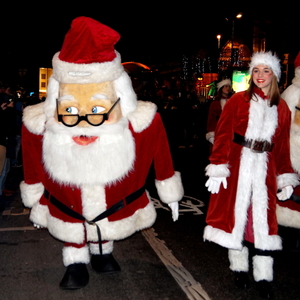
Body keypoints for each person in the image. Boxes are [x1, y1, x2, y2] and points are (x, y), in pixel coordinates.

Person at [20, 17, 184, 290]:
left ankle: (102, 252)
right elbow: (30, 155)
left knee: (106, 207)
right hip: (65, 196)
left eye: (97, 111)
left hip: (114, 195)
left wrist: (169, 188)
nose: (84, 123)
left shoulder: (139, 123)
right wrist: (35, 191)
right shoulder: (41, 126)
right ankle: (74, 261)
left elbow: (158, 145)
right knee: (70, 211)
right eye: (71, 111)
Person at [203, 51, 299, 299]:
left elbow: (282, 146)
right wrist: (218, 165)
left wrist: (286, 175)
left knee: (264, 222)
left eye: (266, 71)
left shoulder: (283, 107)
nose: (260, 75)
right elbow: (223, 135)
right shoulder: (237, 101)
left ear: (275, 75)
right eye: (256, 70)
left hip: (265, 171)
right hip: (237, 167)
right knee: (238, 217)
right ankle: (239, 268)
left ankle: (264, 276)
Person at [205, 78, 233, 147]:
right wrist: (212, 136)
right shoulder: (215, 104)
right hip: (219, 133)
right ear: (221, 88)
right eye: (225, 86)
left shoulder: (233, 102)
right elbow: (211, 120)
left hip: (231, 133)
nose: (228, 88)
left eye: (229, 86)